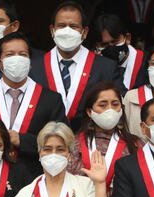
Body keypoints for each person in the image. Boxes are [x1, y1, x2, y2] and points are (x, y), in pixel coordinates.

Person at [0, 32, 67, 176]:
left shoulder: (51, 100)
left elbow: (63, 141)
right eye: (10, 54)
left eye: (22, 54)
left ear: (30, 61)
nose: (17, 59)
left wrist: (23, 140)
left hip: (34, 176)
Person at [67, 81, 140, 197]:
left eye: (115, 104)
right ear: (89, 111)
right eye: (102, 104)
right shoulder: (74, 143)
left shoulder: (135, 144)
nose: (110, 110)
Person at [29, 1, 123, 131]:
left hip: (91, 144)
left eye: (73, 26)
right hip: (47, 145)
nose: (67, 31)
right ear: (52, 30)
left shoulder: (106, 68)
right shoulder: (34, 68)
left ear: (84, 32)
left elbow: (116, 109)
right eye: (61, 26)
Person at [92, 13, 147, 90]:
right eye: (103, 44)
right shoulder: (90, 66)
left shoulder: (146, 62)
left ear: (128, 38)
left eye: (115, 42)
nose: (110, 47)